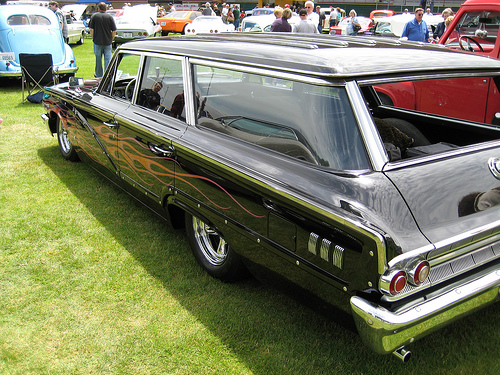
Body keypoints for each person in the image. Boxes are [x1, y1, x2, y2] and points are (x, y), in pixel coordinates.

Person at [88, 2, 117, 78]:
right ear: (105, 8)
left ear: (99, 8)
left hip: (97, 41)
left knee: (98, 59)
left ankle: (99, 75)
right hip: (107, 42)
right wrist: (111, 38)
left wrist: (93, 38)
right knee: (108, 59)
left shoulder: (94, 16)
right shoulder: (110, 17)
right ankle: (107, 75)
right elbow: (114, 31)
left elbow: (91, 29)